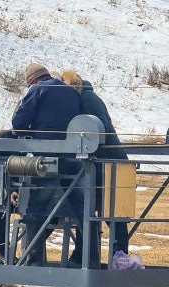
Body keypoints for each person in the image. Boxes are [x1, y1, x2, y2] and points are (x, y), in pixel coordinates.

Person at [10, 64, 83, 265]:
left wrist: (33, 127)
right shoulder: (72, 92)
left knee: (36, 210)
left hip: (46, 160)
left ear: (33, 81)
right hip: (72, 159)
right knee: (82, 211)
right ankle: (88, 261)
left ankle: (33, 263)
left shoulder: (37, 90)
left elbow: (17, 124)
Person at [61, 70, 130, 261]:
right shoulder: (86, 97)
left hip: (109, 163)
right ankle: (100, 256)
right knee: (96, 211)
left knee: (113, 215)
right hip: (103, 162)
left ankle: (118, 258)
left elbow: (101, 128)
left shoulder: (88, 98)